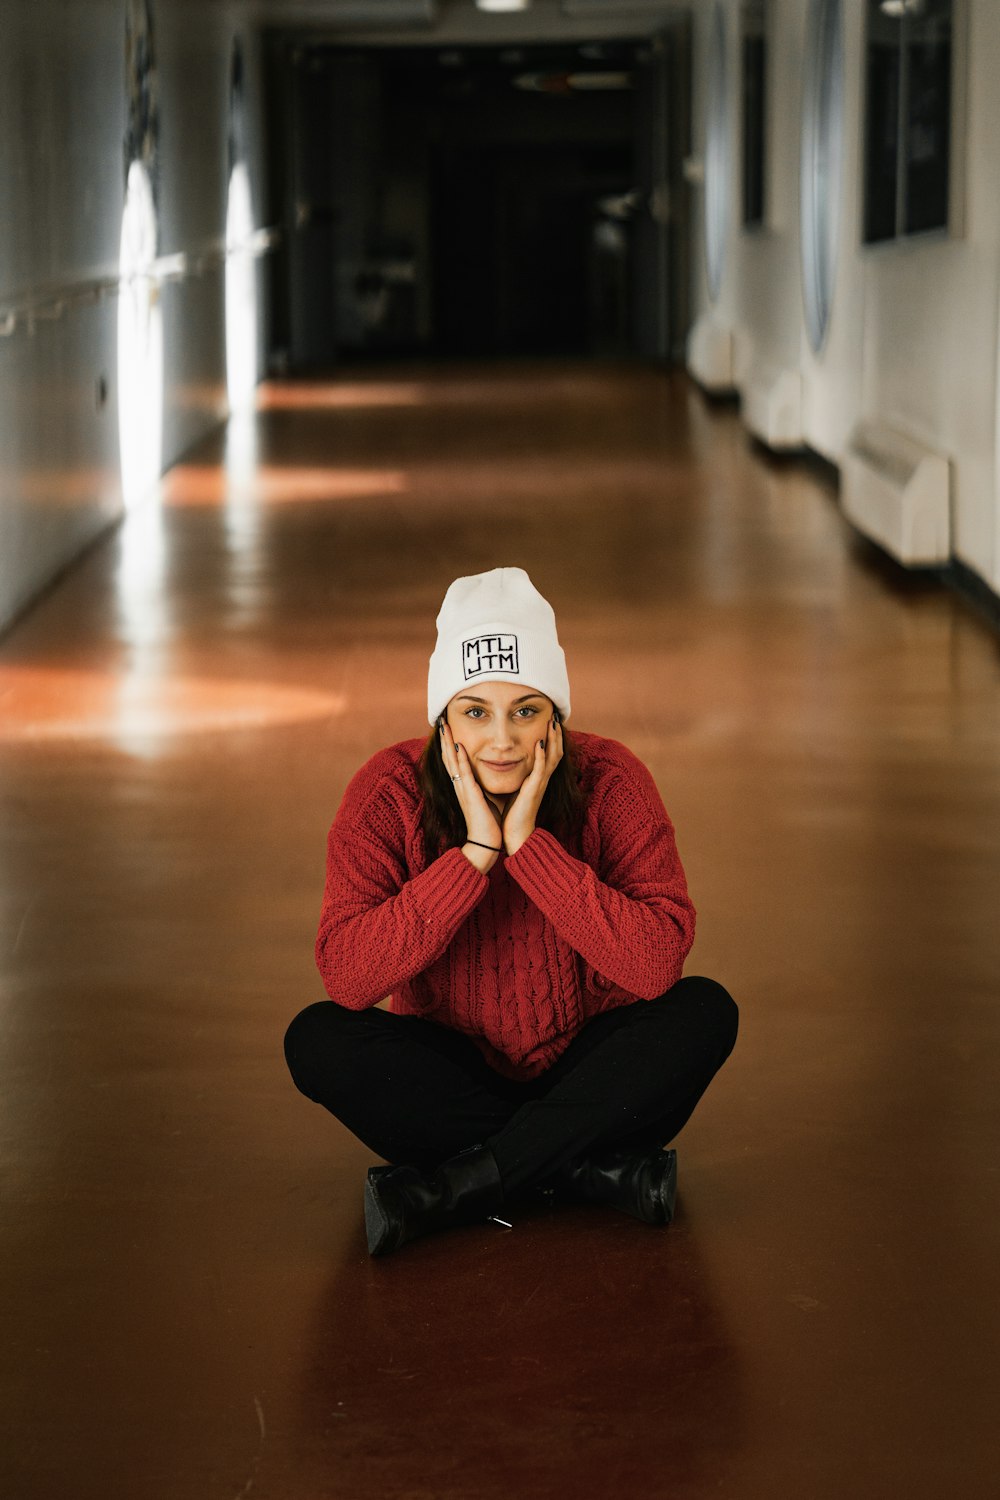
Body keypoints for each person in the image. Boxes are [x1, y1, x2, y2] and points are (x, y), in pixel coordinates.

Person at [284, 567, 738, 1258]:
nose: (502, 741)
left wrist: (530, 851)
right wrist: (472, 856)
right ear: (442, 718)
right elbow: (347, 977)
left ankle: (457, 1185)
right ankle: (587, 1169)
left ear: (556, 716)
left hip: (586, 1058)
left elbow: (654, 967)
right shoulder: (387, 794)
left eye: (526, 711)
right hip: (456, 1066)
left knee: (705, 1011)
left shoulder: (613, 782)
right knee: (316, 1039)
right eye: (476, 712)